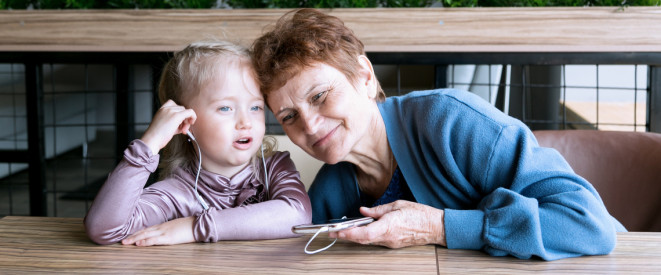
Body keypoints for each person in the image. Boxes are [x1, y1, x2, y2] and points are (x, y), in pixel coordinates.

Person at [250, 8, 625, 260]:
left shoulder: (450, 121)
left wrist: (439, 226)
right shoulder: (330, 190)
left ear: (364, 77)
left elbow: (587, 224)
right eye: (288, 116)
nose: (310, 126)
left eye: (320, 96)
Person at [85, 40, 312, 246]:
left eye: (255, 107)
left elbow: (298, 216)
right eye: (225, 108)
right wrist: (150, 143)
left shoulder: (273, 168)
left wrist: (195, 227)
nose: (246, 122)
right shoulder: (177, 193)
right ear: (185, 121)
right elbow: (104, 229)